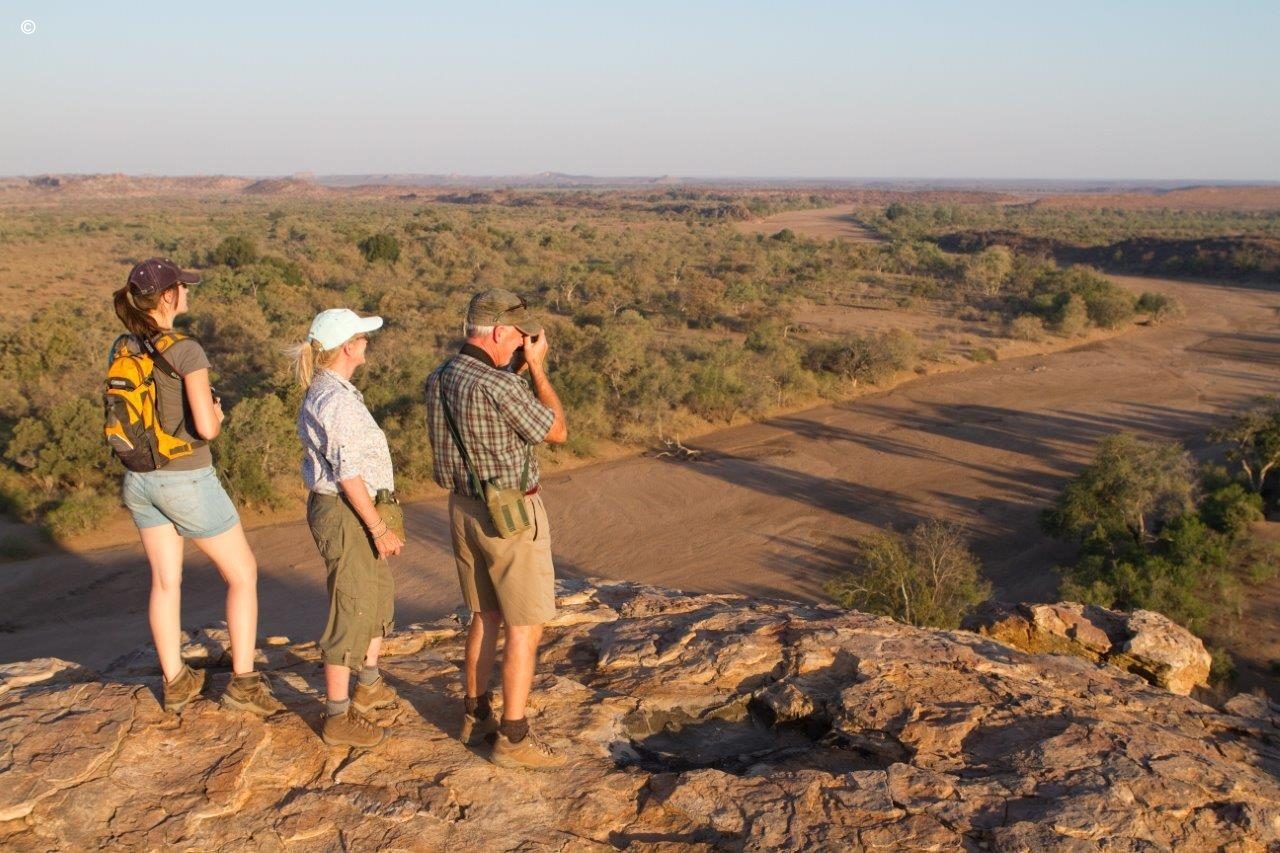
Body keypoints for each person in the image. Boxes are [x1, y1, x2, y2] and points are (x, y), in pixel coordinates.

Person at [111, 257, 283, 717]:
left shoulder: (124, 346)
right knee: (242, 574)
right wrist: (217, 416)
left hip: (139, 480)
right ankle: (244, 684)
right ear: (168, 296)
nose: (188, 291)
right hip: (185, 478)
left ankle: (175, 682)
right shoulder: (186, 350)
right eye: (183, 287)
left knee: (165, 582)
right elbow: (206, 428)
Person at [424, 289, 569, 771]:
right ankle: (513, 737)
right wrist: (538, 369)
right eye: (519, 335)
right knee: (524, 626)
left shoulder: (440, 377)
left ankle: (475, 715)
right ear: (500, 331)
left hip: (463, 510)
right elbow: (555, 429)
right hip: (510, 516)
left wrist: (516, 370)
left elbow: (486, 404)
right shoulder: (502, 385)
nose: (522, 343)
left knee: (484, 615)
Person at [294, 308, 404, 748]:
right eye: (362, 336)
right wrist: (377, 527)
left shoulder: (334, 390)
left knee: (375, 593)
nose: (366, 342)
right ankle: (338, 716)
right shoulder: (335, 401)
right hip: (346, 510)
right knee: (352, 604)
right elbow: (347, 474)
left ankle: (369, 683)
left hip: (353, 507)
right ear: (347, 347)